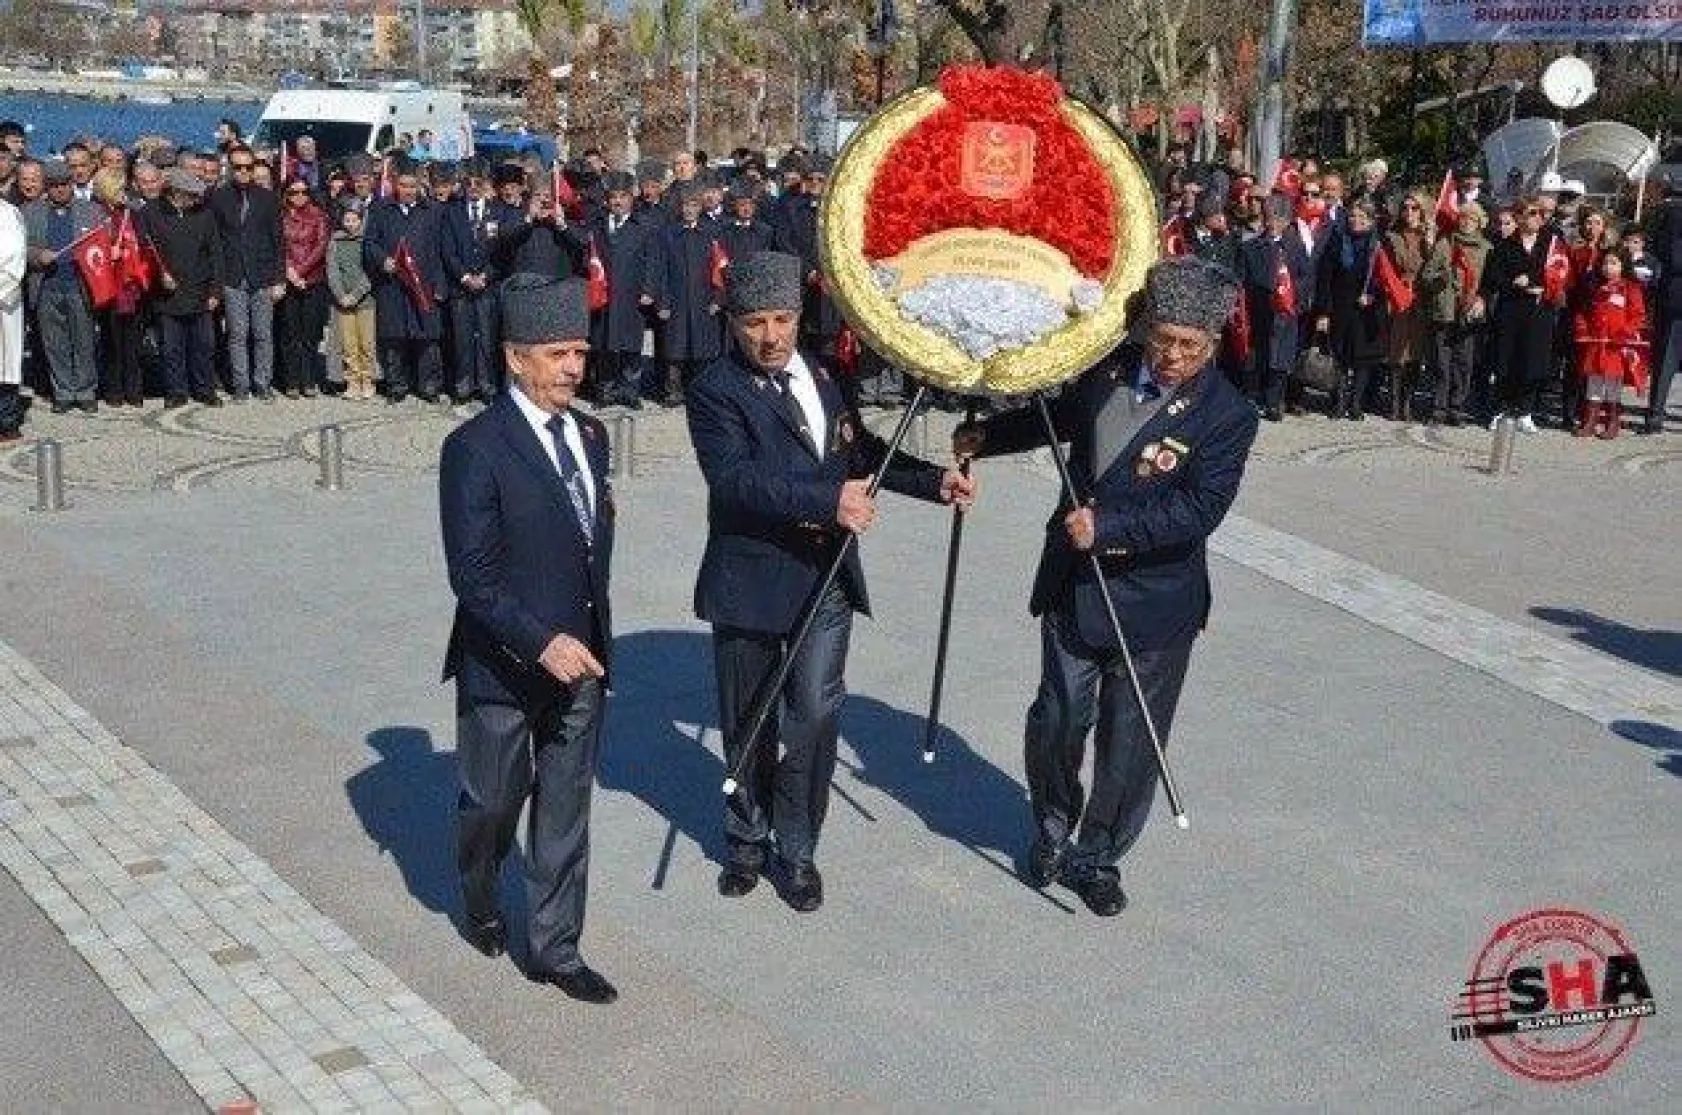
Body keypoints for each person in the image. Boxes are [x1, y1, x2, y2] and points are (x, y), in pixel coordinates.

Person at [952, 256, 1260, 916]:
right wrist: (989, 435)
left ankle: (1098, 855)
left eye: (1190, 346)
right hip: (1074, 583)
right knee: (1058, 717)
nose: (1174, 355)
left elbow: (1200, 509)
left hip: (1155, 601)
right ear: (1146, 328)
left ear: (1211, 343)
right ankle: (1053, 827)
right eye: (1165, 339)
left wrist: (1110, 525)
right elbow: (1060, 419)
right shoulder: (1108, 367)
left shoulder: (1227, 414)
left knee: (1130, 740)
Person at [685, 251, 975, 911]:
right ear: (732, 323)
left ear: (798, 317)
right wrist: (828, 501)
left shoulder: (825, 372)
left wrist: (933, 481)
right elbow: (734, 479)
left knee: (814, 715)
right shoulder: (715, 390)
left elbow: (860, 452)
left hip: (827, 579)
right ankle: (745, 838)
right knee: (748, 720)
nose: (769, 335)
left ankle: (798, 848)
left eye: (782, 318)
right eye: (754, 321)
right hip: (753, 580)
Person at [439, 274, 618, 1004]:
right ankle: (480, 894)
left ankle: (555, 949)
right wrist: (539, 640)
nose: (573, 368)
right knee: (490, 805)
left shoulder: (593, 434)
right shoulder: (474, 447)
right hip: (504, 663)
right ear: (516, 358)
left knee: (566, 809)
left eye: (578, 351)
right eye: (556, 355)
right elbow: (473, 576)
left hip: (584, 660)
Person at [362, 159, 448, 403]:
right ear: (395, 185)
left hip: (425, 283)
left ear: (419, 186)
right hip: (392, 284)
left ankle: (428, 386)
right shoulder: (380, 209)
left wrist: (440, 284)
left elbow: (441, 250)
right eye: (403, 185)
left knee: (427, 339)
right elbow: (370, 243)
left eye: (412, 186)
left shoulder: (432, 211)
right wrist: (382, 260)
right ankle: (397, 386)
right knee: (394, 338)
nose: (408, 190)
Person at [23, 157, 102, 413]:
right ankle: (64, 391)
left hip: (79, 284)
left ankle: (86, 390)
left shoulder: (91, 210)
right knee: (54, 342)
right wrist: (37, 256)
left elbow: (101, 243)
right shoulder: (29, 212)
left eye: (65, 184)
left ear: (72, 184)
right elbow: (16, 249)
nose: (60, 189)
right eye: (54, 185)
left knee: (84, 340)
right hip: (46, 285)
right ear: (47, 186)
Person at [140, 170, 224, 408]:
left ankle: (204, 389)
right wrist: (159, 276)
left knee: (204, 347)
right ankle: (176, 391)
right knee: (171, 349)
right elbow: (145, 252)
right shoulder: (150, 213)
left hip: (200, 291)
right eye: (192, 195)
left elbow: (216, 254)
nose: (197, 200)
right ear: (176, 193)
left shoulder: (204, 215)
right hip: (167, 295)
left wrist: (215, 292)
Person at [1483, 196, 1567, 433]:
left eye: (1539, 213)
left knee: (1534, 361)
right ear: (1518, 217)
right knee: (1506, 360)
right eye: (1530, 213)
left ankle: (1526, 411)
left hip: (1540, 310)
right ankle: (1502, 409)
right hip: (1512, 309)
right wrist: (1513, 282)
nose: (1536, 217)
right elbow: (1493, 278)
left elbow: (1562, 273)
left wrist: (1544, 286)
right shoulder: (1505, 245)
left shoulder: (1552, 244)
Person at [209, 144, 284, 401]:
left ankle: (262, 384)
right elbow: (215, 241)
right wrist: (217, 282)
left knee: (263, 335)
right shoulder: (218, 197)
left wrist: (279, 278)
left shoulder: (268, 198)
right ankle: (241, 386)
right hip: (232, 275)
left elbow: (277, 241)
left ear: (254, 168)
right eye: (237, 167)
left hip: (262, 275)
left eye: (248, 167)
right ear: (229, 168)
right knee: (237, 335)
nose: (243, 171)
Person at [582, 170, 657, 408]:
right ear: (607, 199)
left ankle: (629, 391)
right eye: (613, 196)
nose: (618, 201)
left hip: (630, 295)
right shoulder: (597, 226)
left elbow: (652, 261)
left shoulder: (642, 227)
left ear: (631, 198)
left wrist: (649, 290)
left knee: (630, 346)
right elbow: (587, 257)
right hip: (604, 296)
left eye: (623, 196)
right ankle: (605, 391)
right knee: (604, 345)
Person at [1240, 193, 1314, 421]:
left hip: (1286, 313)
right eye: (1269, 218)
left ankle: (1274, 402)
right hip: (1260, 311)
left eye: (1278, 219)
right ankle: (1256, 396)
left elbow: (1306, 276)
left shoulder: (1295, 247)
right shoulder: (1251, 247)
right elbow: (1243, 280)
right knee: (1261, 356)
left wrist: (1295, 300)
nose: (1273, 224)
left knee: (1281, 360)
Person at [652, 183, 726, 405]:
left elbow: (721, 268)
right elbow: (660, 269)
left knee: (702, 348)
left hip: (704, 299)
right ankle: (673, 391)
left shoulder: (712, 233)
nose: (689, 210)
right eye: (685, 205)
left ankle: (699, 391)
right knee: (675, 349)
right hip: (676, 300)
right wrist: (662, 302)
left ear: (700, 207)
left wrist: (717, 299)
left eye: (694, 205)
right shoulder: (668, 234)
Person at [1419, 201, 1491, 426]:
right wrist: (1440, 278)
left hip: (1468, 313)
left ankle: (1456, 407)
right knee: (1441, 362)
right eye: (1463, 217)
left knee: (1464, 363)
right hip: (1445, 311)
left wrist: (1482, 299)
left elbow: (1489, 283)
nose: (1466, 222)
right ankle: (1438, 407)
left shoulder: (1486, 249)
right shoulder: (1445, 244)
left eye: (1472, 218)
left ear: (1479, 223)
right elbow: (1426, 276)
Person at [1318, 200, 1386, 421]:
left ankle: (1356, 402)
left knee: (1362, 359)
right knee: (1339, 356)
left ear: (1371, 221)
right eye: (1352, 217)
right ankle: (1337, 400)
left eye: (1362, 218)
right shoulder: (1338, 241)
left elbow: (1384, 278)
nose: (1356, 221)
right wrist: (1324, 312)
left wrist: (1373, 294)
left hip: (1367, 310)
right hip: (1340, 307)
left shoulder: (1378, 245)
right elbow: (1325, 278)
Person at [440, 160, 500, 403]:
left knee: (486, 337)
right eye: (469, 183)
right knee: (462, 339)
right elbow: (448, 249)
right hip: (461, 286)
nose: (473, 187)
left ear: (486, 185)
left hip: (487, 285)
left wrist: (485, 275)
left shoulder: (496, 211)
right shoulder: (452, 211)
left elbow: (500, 251)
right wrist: (464, 277)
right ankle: (463, 384)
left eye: (478, 183)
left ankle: (486, 384)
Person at [1572, 250, 1646, 439]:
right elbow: (1584, 311)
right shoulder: (1595, 287)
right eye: (1605, 263)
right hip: (1597, 343)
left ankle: (1613, 421)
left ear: (1623, 266)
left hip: (1616, 346)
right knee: (1594, 382)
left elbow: (1638, 315)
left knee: (1613, 383)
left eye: (1613, 263)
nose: (1608, 268)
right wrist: (1582, 328)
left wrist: (1625, 332)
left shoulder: (1630, 288)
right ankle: (1590, 420)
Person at [91, 168, 148, 407]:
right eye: (118, 188)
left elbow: (143, 242)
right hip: (108, 284)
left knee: (133, 342)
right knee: (111, 342)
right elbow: (90, 247)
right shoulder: (96, 215)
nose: (123, 193)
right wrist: (108, 252)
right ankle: (114, 390)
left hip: (130, 286)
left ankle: (134, 390)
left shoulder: (132, 214)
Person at [276, 177, 331, 397]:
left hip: (312, 280)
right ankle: (291, 380)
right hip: (288, 279)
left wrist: (301, 271)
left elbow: (321, 245)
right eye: (294, 192)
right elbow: (276, 244)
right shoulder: (279, 217)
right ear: (286, 194)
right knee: (289, 334)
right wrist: (289, 270)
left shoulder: (319, 215)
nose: (299, 197)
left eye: (304, 192)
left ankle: (308, 379)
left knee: (310, 334)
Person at [1383, 192, 1432, 421]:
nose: (1410, 212)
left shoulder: (1429, 236)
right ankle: (1393, 402)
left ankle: (1408, 402)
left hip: (1421, 298)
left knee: (1415, 351)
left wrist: (1431, 243)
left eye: (1415, 208)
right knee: (1397, 352)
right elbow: (1387, 267)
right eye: (1406, 207)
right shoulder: (1392, 236)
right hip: (1398, 295)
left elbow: (1436, 267)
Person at [327, 203, 377, 401]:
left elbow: (370, 271)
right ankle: (353, 380)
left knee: (366, 342)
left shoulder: (366, 241)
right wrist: (341, 295)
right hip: (343, 301)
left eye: (354, 220)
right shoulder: (336, 242)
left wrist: (356, 295)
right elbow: (332, 270)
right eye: (347, 220)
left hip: (364, 300)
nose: (350, 224)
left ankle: (368, 379)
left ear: (361, 221)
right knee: (349, 344)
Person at [0, 192, 25, 439]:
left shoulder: (8, 214)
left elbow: (15, 257)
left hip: (3, 301)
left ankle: (6, 422)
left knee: (4, 363)